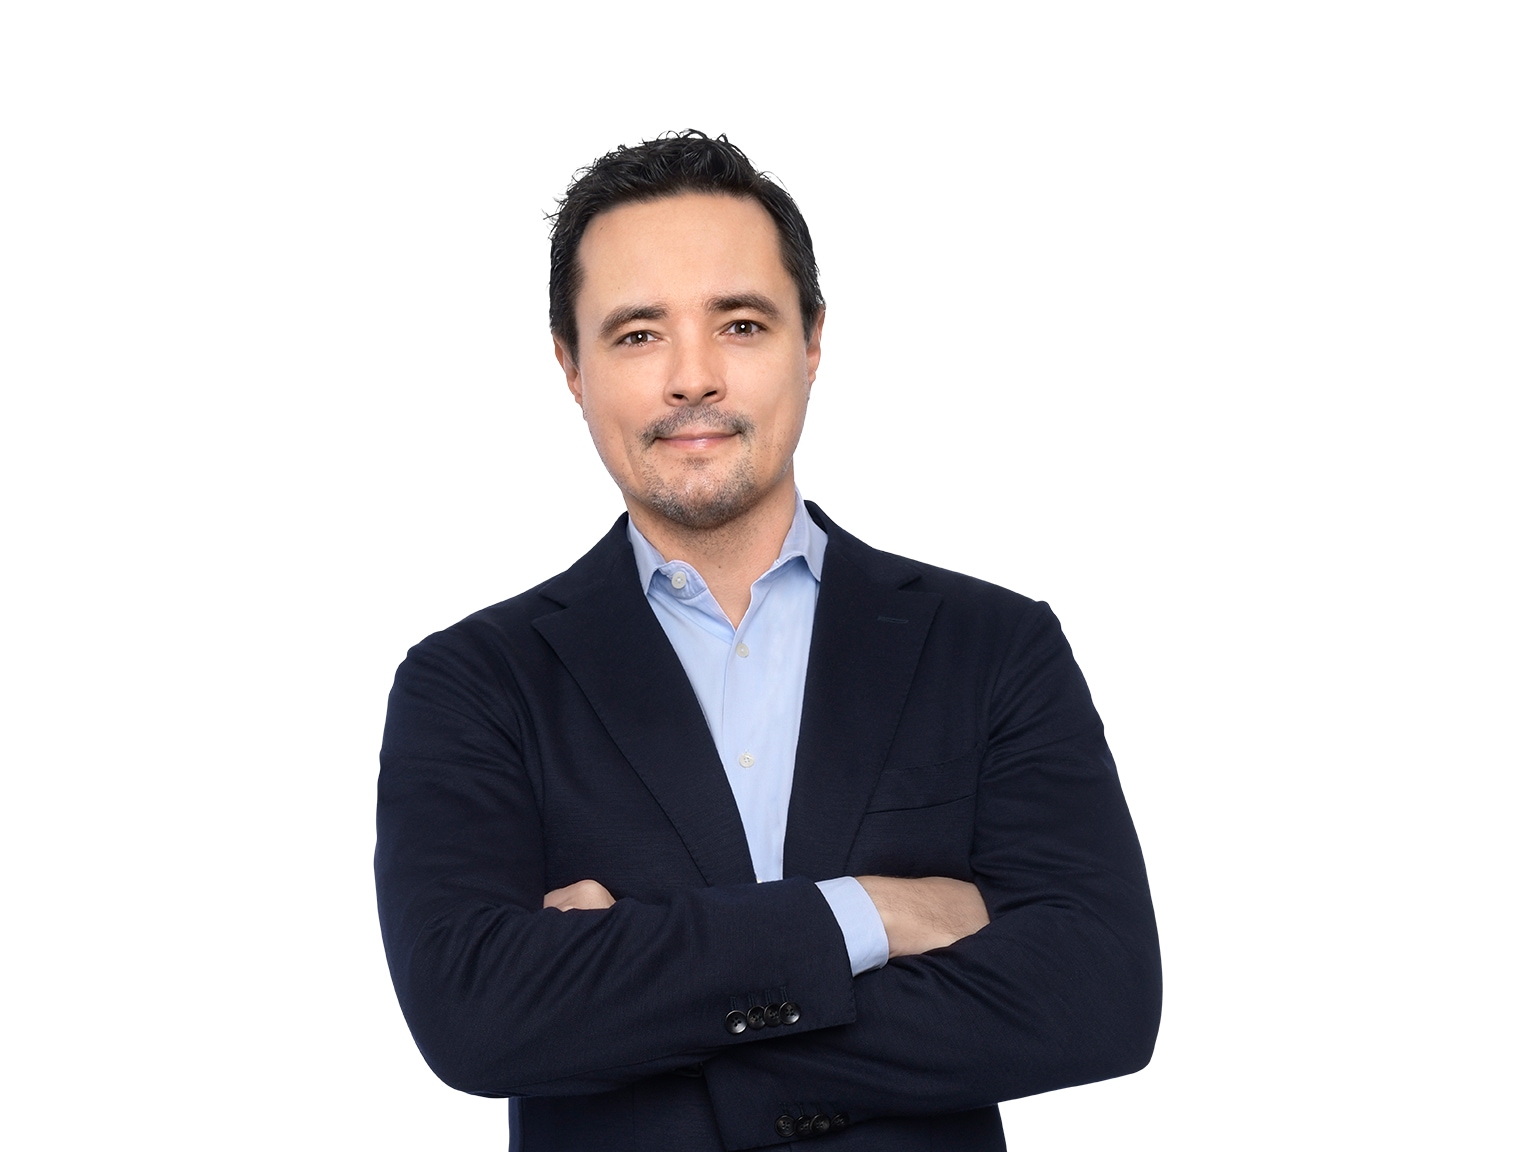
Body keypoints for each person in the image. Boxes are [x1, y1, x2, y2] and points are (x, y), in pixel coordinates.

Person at [375, 131, 1160, 1152]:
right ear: (571, 366)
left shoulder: (992, 648)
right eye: (638, 334)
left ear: (812, 342)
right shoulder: (472, 684)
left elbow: (1099, 996)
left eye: (740, 324)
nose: (692, 378)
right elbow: (477, 1016)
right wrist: (868, 914)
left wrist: (638, 998)